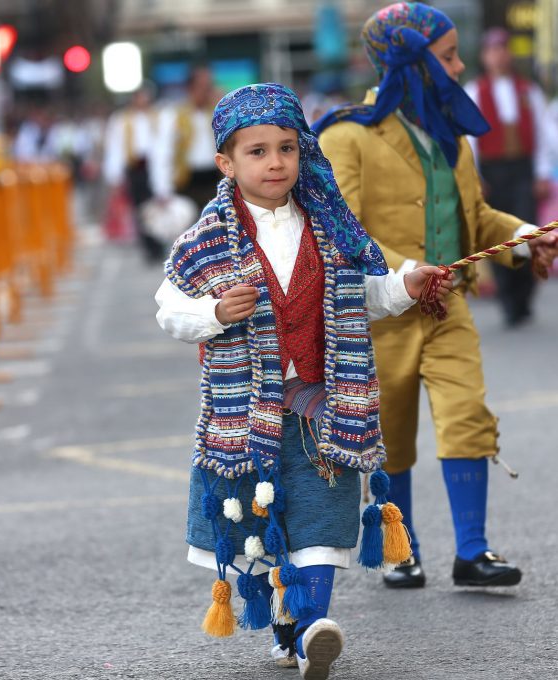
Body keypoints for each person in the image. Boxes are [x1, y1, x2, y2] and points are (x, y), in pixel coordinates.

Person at [155, 83, 452, 678]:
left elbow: (363, 294)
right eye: (257, 151)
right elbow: (169, 309)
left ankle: (315, 623)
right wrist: (214, 313)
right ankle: (290, 631)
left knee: (322, 515)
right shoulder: (204, 242)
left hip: (325, 405)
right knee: (263, 525)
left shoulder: (333, 228)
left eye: (287, 148)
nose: (274, 162)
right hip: (247, 420)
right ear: (226, 162)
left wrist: (404, 285)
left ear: (303, 153)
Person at [315, 2, 558, 590]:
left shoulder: (452, 136)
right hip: (381, 312)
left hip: (448, 307)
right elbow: (340, 229)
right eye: (449, 56)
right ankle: (404, 550)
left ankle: (472, 551)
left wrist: (527, 238)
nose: (461, 65)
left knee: (466, 416)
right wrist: (401, 273)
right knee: (390, 435)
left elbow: (474, 217)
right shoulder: (348, 135)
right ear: (412, 62)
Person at [464, 28, 553, 327]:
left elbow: (541, 135)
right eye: (493, 50)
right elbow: (470, 140)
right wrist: (475, 176)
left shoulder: (528, 90)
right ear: (484, 56)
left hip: (522, 170)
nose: (499, 55)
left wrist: (542, 172)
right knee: (499, 234)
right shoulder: (475, 91)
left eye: (503, 49)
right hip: (493, 172)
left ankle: (524, 296)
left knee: (528, 232)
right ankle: (508, 298)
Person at [103, 83, 166, 262]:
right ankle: (148, 246)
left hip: (153, 168)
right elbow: (115, 148)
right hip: (135, 168)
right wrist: (114, 176)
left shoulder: (158, 117)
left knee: (156, 207)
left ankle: (159, 243)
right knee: (140, 209)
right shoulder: (121, 120)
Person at [155, 66, 222, 210]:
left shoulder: (217, 113)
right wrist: (163, 188)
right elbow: (163, 153)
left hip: (214, 178)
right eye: (202, 86)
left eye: (209, 86)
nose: (206, 91)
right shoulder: (174, 115)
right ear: (190, 88)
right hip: (187, 180)